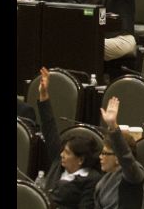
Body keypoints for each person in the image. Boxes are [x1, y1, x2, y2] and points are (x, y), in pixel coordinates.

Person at [36, 67, 102, 209]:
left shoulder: (91, 179)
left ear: (80, 159)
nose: (62, 155)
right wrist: (44, 95)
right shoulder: (58, 163)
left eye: (67, 153)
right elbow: (49, 127)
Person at [95, 97, 144, 209]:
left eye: (105, 153)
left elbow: (126, 158)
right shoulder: (106, 178)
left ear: (117, 158)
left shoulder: (134, 176)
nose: (100, 157)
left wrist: (113, 127)